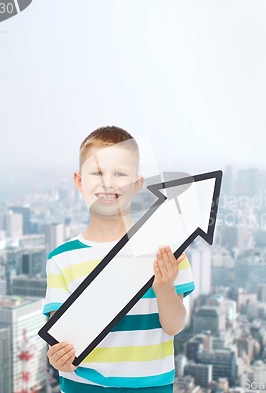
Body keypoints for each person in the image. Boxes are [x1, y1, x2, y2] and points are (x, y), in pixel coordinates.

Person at [43, 126, 194, 392]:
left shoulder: (166, 249)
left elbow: (175, 326)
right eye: (97, 172)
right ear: (79, 181)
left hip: (152, 387)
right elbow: (62, 342)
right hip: (83, 386)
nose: (107, 183)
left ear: (137, 185)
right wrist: (61, 360)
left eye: (120, 174)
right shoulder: (61, 260)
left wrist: (164, 287)